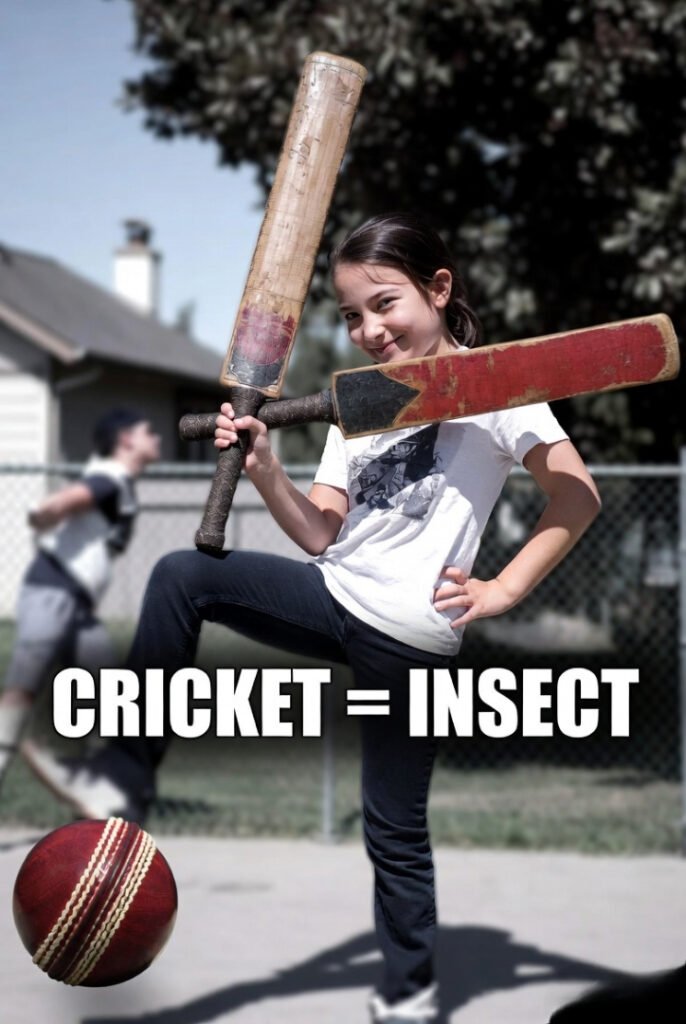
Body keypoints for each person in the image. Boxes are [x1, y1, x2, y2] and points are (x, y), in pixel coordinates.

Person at [19, 213, 601, 1024]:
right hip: (336, 593)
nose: (369, 328)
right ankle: (125, 773)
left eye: (385, 304)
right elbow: (323, 531)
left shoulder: (500, 388)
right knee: (184, 576)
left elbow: (578, 494)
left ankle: (407, 995)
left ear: (439, 289)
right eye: (353, 315)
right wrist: (263, 469)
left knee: (392, 829)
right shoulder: (356, 403)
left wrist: (504, 588)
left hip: (413, 635)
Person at [0, 408, 161, 805]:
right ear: (126, 441)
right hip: (53, 591)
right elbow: (77, 497)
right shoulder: (111, 477)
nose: (155, 437)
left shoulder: (118, 481)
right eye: (147, 431)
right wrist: (47, 511)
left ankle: (93, 782)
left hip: (78, 605)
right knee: (22, 689)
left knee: (108, 689)